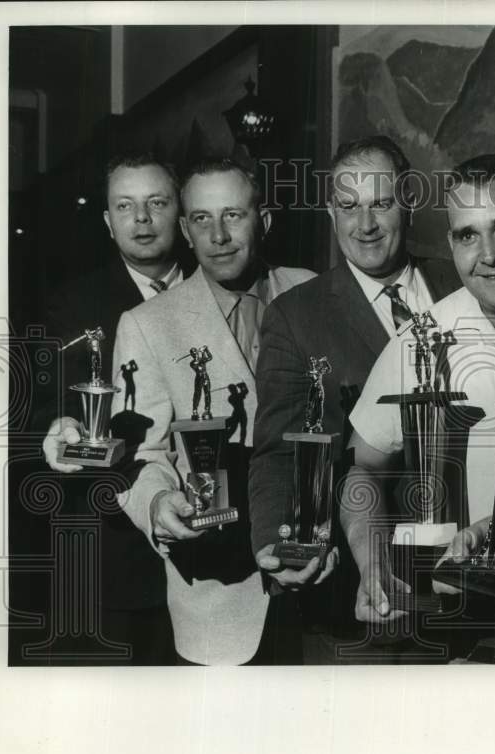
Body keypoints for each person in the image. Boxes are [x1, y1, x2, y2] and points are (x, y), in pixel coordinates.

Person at [340, 153, 495, 627]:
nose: (487, 254)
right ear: (451, 244)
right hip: (466, 622)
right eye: (467, 235)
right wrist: (373, 560)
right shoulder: (422, 339)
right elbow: (361, 468)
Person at [111, 157, 334, 665]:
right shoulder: (147, 323)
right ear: (185, 230)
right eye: (202, 219)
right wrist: (157, 503)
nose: (218, 235)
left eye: (233, 215)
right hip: (220, 602)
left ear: (264, 221)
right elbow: (138, 452)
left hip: (326, 580)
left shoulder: (313, 290)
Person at [248, 137, 460, 656]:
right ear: (331, 213)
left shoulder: (463, 282)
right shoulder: (296, 316)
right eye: (349, 207)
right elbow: (279, 450)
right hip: (357, 607)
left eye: (381, 204)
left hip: (467, 585)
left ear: (408, 202)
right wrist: (277, 540)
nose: (365, 224)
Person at [34, 153, 192, 665]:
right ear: (108, 221)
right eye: (125, 206)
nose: (141, 219)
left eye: (156, 203)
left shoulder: (220, 288)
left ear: (181, 211)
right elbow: (52, 399)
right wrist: (61, 425)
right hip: (116, 559)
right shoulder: (74, 303)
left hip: (214, 548)